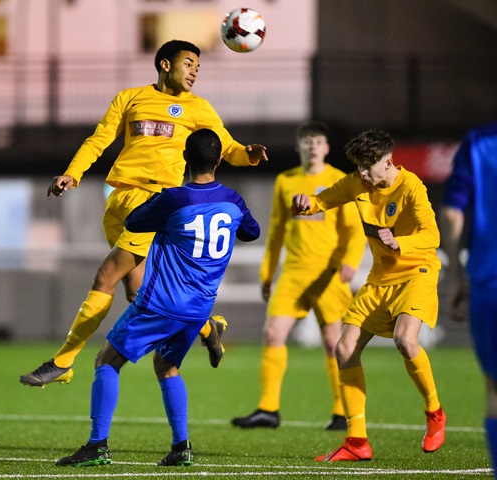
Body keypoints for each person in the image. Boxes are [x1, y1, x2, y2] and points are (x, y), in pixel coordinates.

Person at [20, 39, 268, 387]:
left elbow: (226, 147)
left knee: (105, 276)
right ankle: (209, 327)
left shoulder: (198, 107)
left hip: (153, 203)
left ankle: (63, 361)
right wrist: (72, 173)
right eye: (188, 63)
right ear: (165, 64)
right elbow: (98, 139)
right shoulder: (129, 98)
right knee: (139, 293)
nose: (194, 71)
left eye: (198, 67)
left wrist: (249, 154)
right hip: (119, 200)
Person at [55, 128, 261, 467]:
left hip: (162, 302)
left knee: (107, 360)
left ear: (184, 157)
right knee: (166, 366)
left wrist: (157, 201)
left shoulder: (175, 198)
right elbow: (252, 232)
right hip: (199, 307)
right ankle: (181, 448)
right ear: (219, 160)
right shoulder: (233, 200)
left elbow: (135, 222)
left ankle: (97, 445)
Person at [291, 129, 446, 462]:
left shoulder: (412, 187)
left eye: (367, 166)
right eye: (359, 166)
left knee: (405, 340)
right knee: (344, 348)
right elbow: (324, 199)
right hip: (379, 279)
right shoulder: (357, 183)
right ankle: (357, 441)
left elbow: (432, 235)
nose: (361, 172)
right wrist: (306, 204)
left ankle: (435, 413)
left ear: (388, 161)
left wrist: (400, 243)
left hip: (416, 272)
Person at [232, 122, 365, 431]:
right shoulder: (286, 180)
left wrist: (349, 262)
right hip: (293, 272)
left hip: (328, 274)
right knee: (272, 334)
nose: (312, 147)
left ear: (326, 148)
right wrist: (267, 274)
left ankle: (341, 411)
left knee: (333, 342)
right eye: (307, 142)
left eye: (318, 142)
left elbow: (353, 228)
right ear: (299, 147)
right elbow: (277, 230)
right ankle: (268, 408)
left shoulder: (339, 180)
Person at [440, 121, 497, 476]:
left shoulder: (478, 143)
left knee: (495, 387)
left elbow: (451, 212)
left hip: (489, 279)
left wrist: (456, 275)